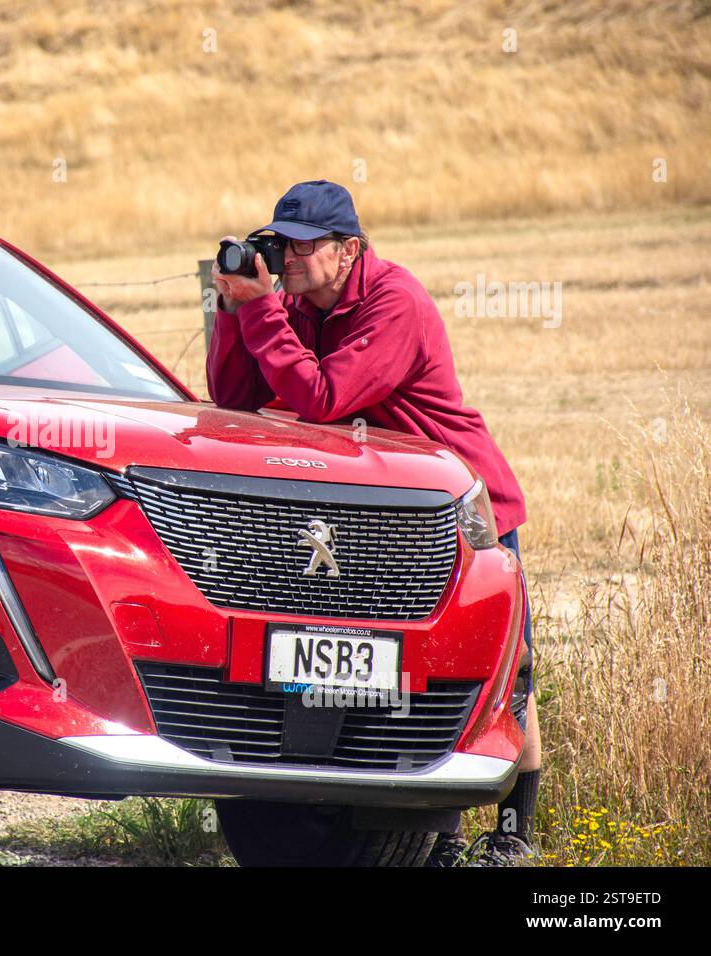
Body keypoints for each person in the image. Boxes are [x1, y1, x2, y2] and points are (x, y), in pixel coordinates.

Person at [207, 180, 540, 867]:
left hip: (459, 508)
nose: (288, 259)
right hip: (375, 513)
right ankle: (421, 838)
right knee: (400, 668)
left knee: (507, 675)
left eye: (303, 246)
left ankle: (514, 833)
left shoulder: (396, 302)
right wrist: (236, 310)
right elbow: (232, 398)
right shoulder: (295, 306)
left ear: (349, 249)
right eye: (281, 244)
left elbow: (323, 396)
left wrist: (265, 312)